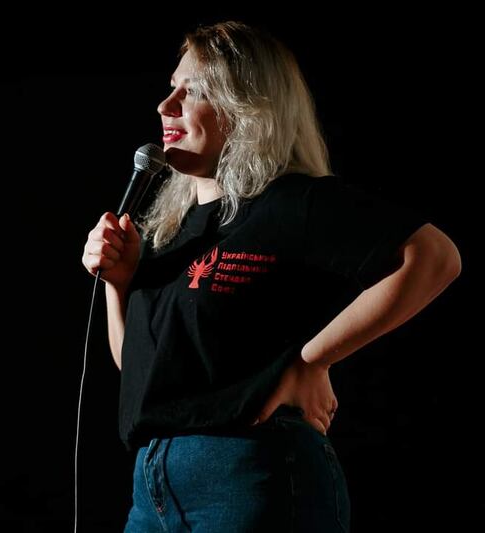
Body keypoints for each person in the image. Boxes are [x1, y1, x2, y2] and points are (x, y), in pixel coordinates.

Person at [81, 21, 461, 532]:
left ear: (246, 108)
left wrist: (310, 361)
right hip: (153, 490)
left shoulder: (290, 203)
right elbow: (140, 369)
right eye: (171, 88)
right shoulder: (168, 236)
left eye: (193, 91)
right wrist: (119, 283)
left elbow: (434, 257)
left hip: (249, 472)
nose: (166, 105)